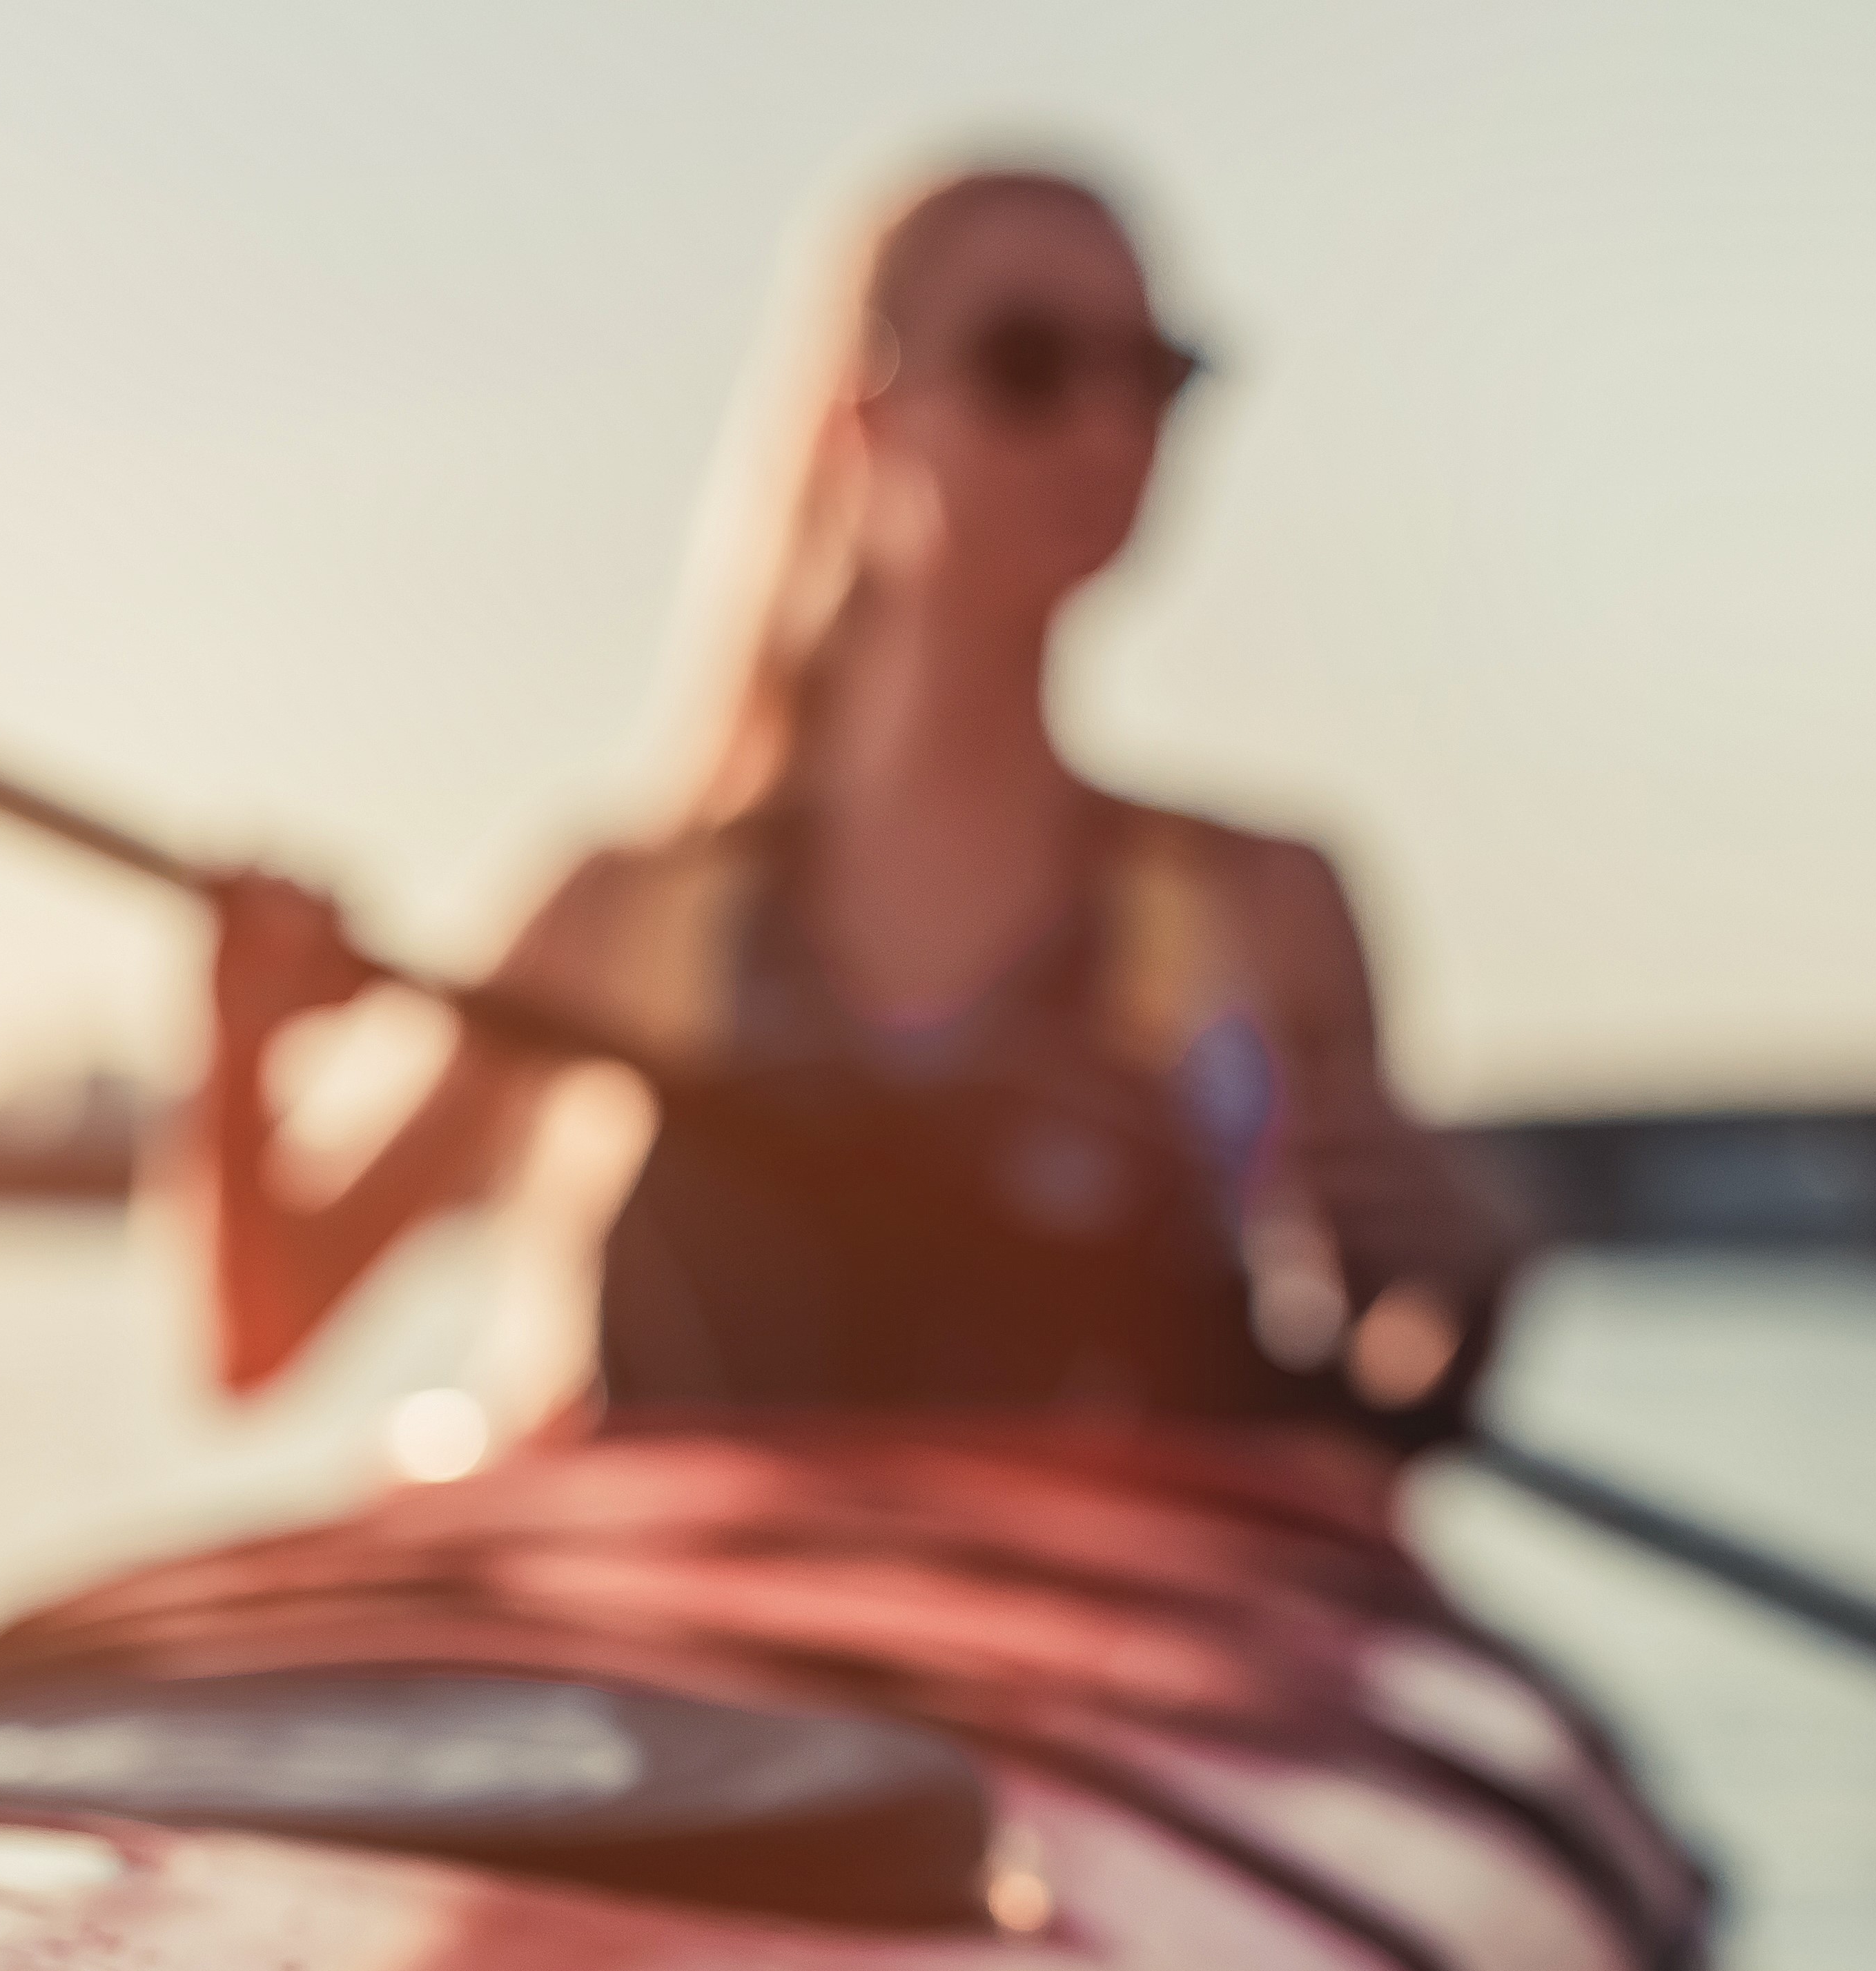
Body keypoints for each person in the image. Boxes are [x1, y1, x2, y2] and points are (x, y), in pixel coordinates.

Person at [195, 166, 1522, 1448]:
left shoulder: (1271, 903)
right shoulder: (621, 906)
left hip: (1091, 1645)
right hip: (677, 1652)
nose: (1108, 430)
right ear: (856, 415)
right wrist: (239, 1047)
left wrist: (1465, 1285)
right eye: (1028, 365)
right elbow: (263, 1337)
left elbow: (1374, 1399)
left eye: (1154, 374)